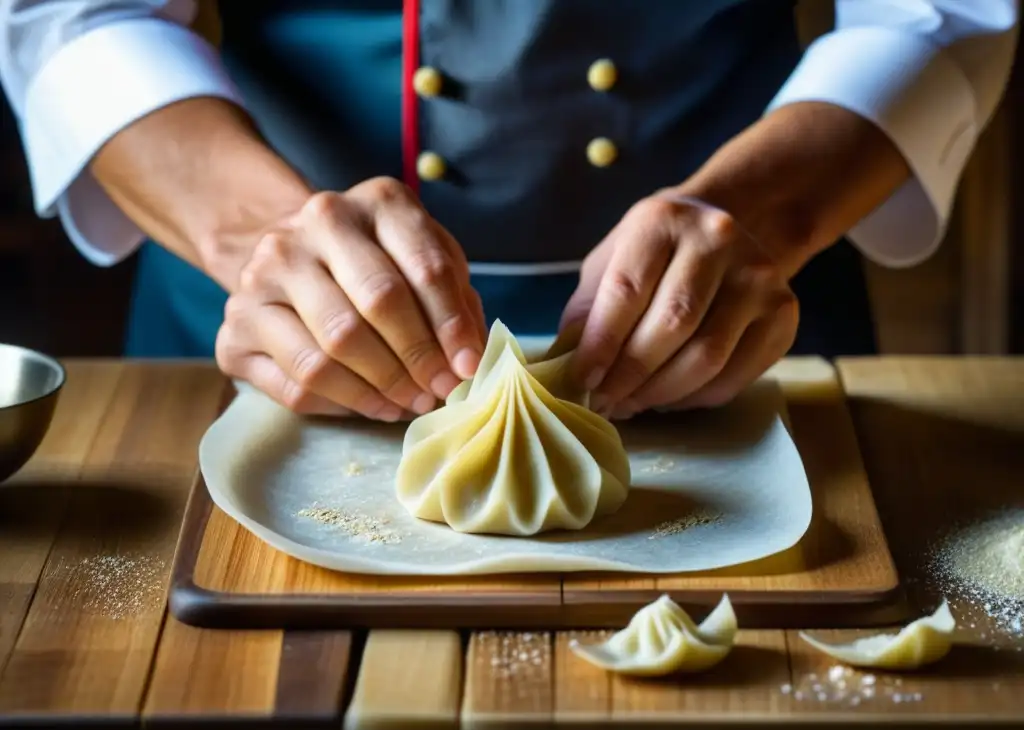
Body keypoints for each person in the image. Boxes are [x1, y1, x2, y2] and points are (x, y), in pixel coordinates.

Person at [0, 1, 1017, 422]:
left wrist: (763, 212)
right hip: (263, 316)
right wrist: (256, 236)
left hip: (741, 301)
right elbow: (80, 13)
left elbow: (939, 8)